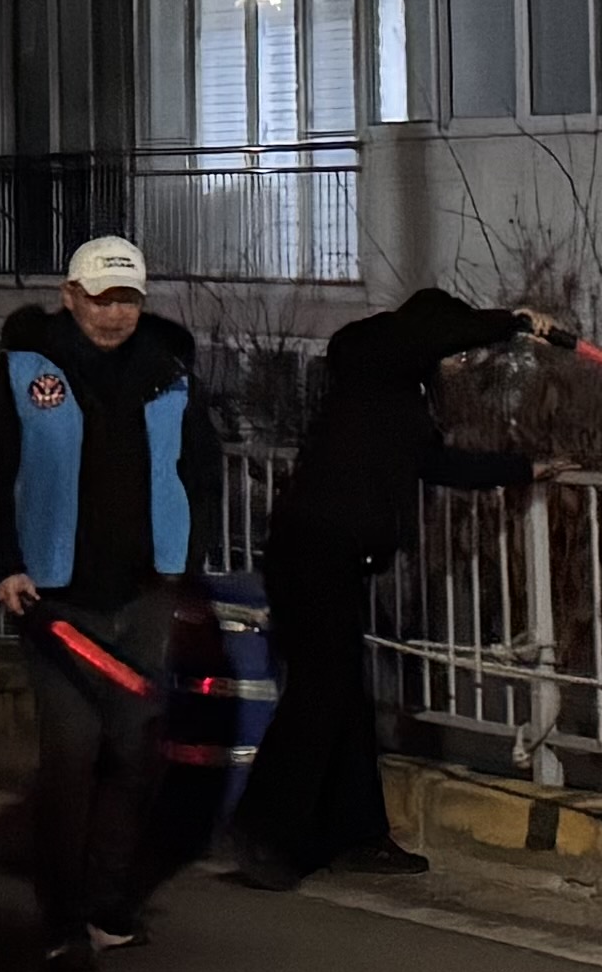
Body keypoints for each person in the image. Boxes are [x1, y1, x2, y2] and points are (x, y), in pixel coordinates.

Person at [0, 231, 227, 972]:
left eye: (127, 299)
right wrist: (2, 566)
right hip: (54, 599)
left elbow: (202, 472)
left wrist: (187, 559)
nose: (114, 314)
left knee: (135, 754)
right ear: (70, 297)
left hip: (146, 593)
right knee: (70, 756)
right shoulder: (22, 372)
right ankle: (62, 916)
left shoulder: (171, 375)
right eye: (101, 299)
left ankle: (108, 904)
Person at [226, 287, 540, 889]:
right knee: (320, 694)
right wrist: (511, 323)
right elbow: (423, 337)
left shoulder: (402, 400)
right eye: (457, 350)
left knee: (344, 698)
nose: (463, 363)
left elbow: (438, 465)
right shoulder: (372, 357)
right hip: (312, 550)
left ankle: (357, 834)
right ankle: (265, 831)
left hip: (335, 557)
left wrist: (524, 468)